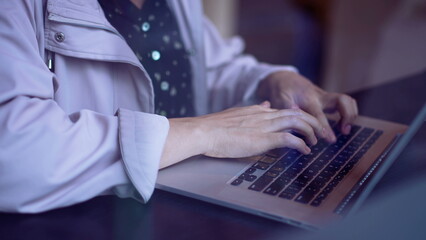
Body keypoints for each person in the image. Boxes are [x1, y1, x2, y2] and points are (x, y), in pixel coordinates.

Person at [0, 0, 357, 213]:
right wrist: (202, 133)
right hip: (85, 220)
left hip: (184, 211)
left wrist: (271, 81)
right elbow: (14, 153)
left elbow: (208, 70)